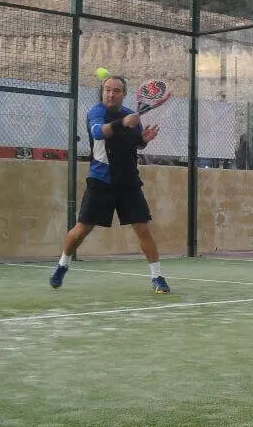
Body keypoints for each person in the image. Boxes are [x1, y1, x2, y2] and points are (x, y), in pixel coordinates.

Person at [49, 75, 171, 293]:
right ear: (102, 92)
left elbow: (133, 143)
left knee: (143, 228)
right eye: (107, 90)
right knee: (82, 230)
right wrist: (123, 123)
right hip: (101, 180)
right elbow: (98, 132)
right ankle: (62, 264)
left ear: (124, 94)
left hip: (128, 182)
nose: (111, 94)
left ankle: (157, 277)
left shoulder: (131, 115)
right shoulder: (96, 112)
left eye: (116, 90)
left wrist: (143, 139)